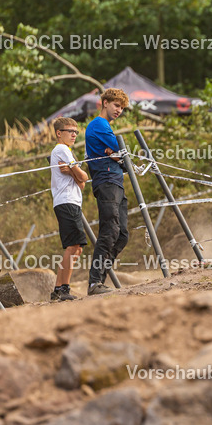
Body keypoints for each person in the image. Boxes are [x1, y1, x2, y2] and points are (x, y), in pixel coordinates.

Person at [84, 88, 130, 296]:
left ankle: (99, 280)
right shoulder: (99, 125)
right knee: (109, 230)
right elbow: (121, 152)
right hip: (106, 182)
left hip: (117, 181)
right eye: (116, 105)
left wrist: (117, 156)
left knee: (122, 234)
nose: (119, 110)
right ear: (105, 103)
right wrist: (117, 155)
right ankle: (94, 282)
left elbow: (121, 157)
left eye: (122, 107)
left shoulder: (107, 126)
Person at [49, 117, 88, 301]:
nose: (74, 134)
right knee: (72, 246)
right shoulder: (61, 149)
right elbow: (83, 176)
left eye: (76, 132)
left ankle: (58, 289)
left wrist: (72, 171)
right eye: (70, 131)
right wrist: (76, 172)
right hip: (66, 201)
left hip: (72, 201)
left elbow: (82, 183)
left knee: (77, 248)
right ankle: (63, 289)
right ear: (59, 133)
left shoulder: (68, 152)